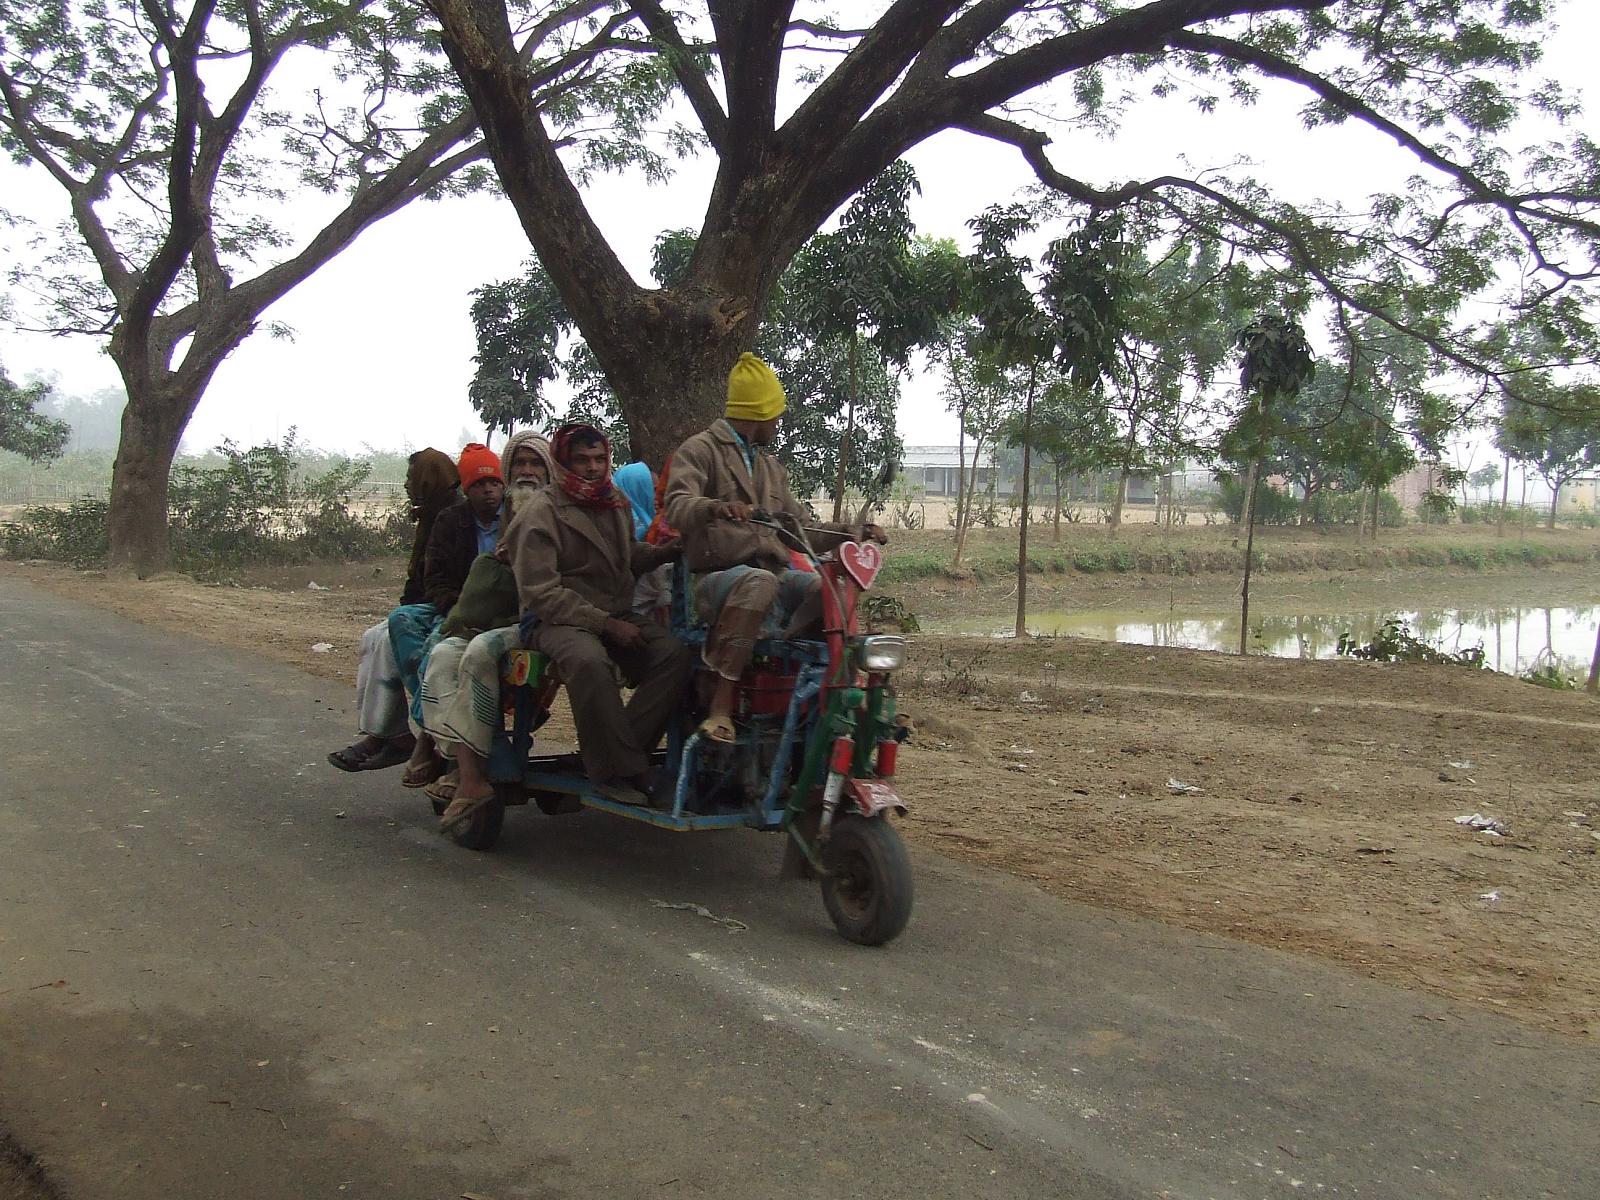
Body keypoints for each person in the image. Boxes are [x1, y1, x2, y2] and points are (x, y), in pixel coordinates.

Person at [664, 352, 885, 743]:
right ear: (759, 413)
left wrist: (853, 532)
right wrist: (716, 507)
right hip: (716, 581)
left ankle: (829, 689)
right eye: (776, 415)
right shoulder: (699, 451)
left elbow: (799, 530)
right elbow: (677, 506)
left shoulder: (770, 468)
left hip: (770, 579)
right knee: (759, 584)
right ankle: (721, 706)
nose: (778, 423)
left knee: (829, 590)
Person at [503, 423, 688, 809]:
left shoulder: (613, 501)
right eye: (582, 460)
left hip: (613, 612)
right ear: (562, 463)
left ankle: (620, 759)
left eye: (599, 459)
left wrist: (664, 552)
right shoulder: (541, 511)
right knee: (589, 661)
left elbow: (625, 555)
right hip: (555, 620)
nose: (592, 468)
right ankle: (614, 772)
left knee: (674, 654)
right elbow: (542, 593)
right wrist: (606, 624)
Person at [418, 431, 556, 826]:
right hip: (501, 619)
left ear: (549, 470)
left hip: (541, 621)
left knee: (479, 652)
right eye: (520, 464)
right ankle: (461, 763)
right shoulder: (512, 509)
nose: (527, 472)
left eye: (535, 464)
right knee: (443, 655)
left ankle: (468, 774)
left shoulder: (559, 509)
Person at [327, 447, 460, 772]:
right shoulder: (431, 513)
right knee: (373, 636)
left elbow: (439, 578)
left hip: (445, 606)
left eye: (409, 477)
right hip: (426, 605)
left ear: (427, 479)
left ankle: (389, 737)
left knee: (387, 638)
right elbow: (417, 581)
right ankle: (386, 733)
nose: (405, 484)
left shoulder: (454, 516)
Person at [390, 441, 510, 786]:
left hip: (500, 614)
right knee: (400, 621)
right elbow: (435, 577)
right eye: (478, 485)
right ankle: (432, 722)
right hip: (456, 605)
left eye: (494, 484)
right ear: (466, 489)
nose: (488, 492)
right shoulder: (451, 520)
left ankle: (428, 739)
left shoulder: (516, 519)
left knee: (436, 647)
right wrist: (455, 607)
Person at [614, 461, 671, 622]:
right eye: (651, 490)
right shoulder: (622, 523)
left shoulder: (656, 522)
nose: (657, 496)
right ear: (636, 490)